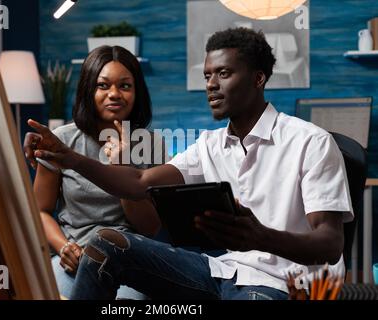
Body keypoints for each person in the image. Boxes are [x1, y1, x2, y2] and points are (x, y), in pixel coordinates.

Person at [25, 28, 352, 300]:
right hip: (219, 271)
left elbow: (330, 244)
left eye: (224, 73)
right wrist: (70, 159)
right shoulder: (208, 145)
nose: (211, 84)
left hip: (278, 283)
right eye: (208, 75)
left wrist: (260, 237)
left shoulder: (311, 142)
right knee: (107, 242)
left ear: (258, 78)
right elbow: (140, 182)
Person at [25, 45, 167, 299]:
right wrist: (64, 246)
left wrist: (122, 167)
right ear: (88, 89)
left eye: (125, 86)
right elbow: (40, 211)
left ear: (137, 93)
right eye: (103, 85)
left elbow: (149, 227)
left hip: (130, 262)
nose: (114, 94)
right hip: (73, 258)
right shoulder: (62, 140)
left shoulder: (151, 144)